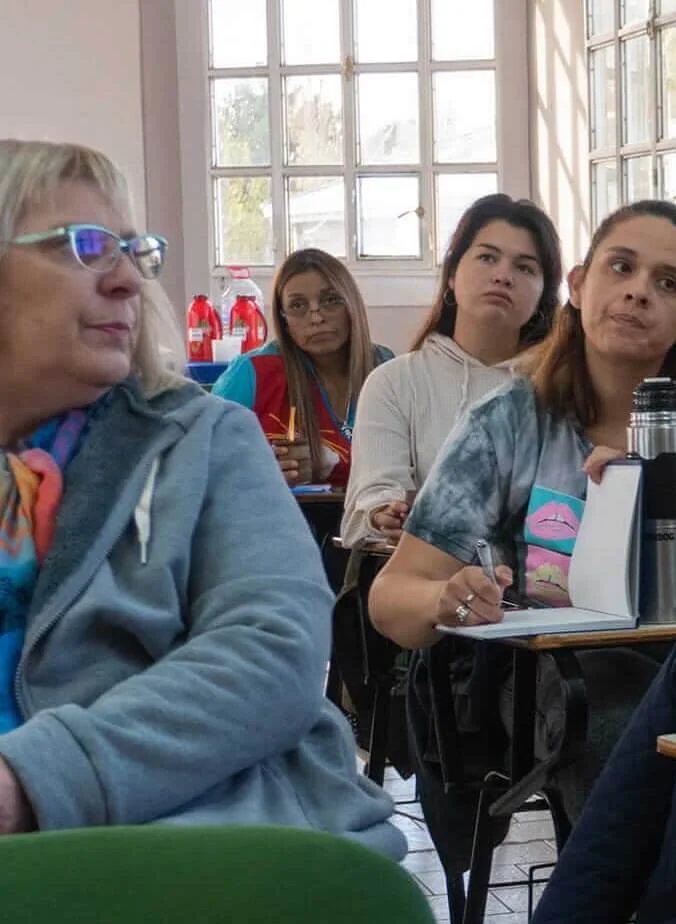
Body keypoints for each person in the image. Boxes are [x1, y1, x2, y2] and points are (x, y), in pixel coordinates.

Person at [0, 139, 400, 856]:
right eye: (86, 246)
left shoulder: (203, 439)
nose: (128, 279)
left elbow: (272, 656)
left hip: (190, 861)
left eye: (133, 250)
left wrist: (32, 779)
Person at [367, 200, 676, 818]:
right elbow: (391, 596)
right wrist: (448, 599)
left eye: (667, 283)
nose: (638, 293)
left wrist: (673, 522)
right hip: (554, 680)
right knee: (621, 713)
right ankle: (637, 913)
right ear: (579, 288)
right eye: (621, 268)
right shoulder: (508, 420)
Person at [343, 195, 562, 546]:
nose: (503, 276)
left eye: (525, 267)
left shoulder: (559, 389)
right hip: (426, 587)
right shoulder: (395, 382)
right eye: (487, 257)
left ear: (542, 298)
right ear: (451, 275)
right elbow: (375, 493)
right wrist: (384, 512)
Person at [213, 248, 393, 488]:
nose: (316, 318)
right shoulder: (252, 372)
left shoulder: (384, 367)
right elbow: (203, 462)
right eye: (298, 306)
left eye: (330, 301)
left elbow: (409, 467)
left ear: (352, 306)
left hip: (369, 521)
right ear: (284, 320)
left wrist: (331, 464)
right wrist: (258, 471)